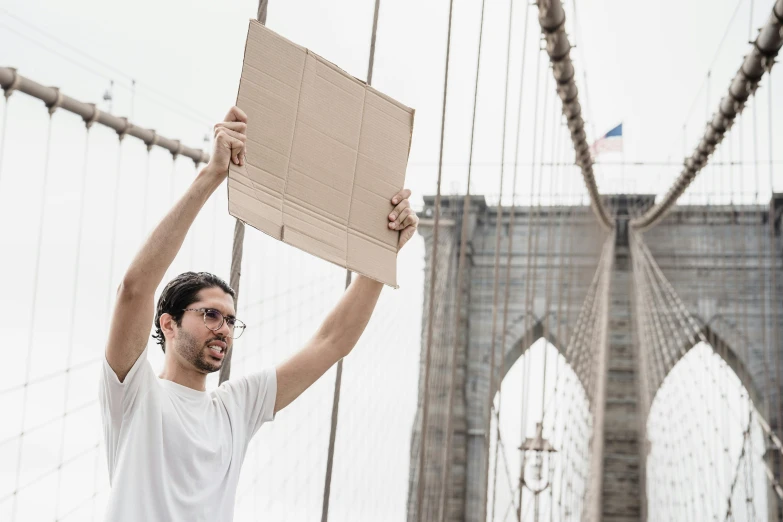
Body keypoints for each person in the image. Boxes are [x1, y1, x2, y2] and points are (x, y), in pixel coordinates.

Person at [99, 106, 419, 521]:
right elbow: (134, 290)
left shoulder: (235, 407)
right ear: (168, 323)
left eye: (231, 321)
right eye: (211, 315)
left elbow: (331, 342)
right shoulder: (133, 393)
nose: (224, 329)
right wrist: (212, 174)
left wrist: (380, 256)